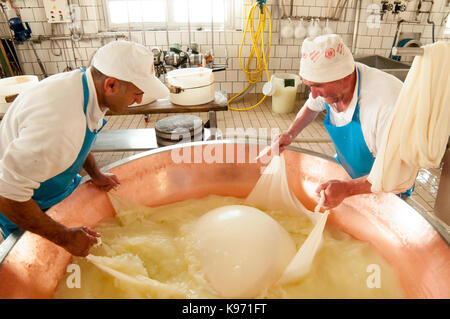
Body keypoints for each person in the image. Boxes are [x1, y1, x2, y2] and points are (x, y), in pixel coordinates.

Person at [0, 40, 169, 256]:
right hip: (26, 204)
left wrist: (95, 174)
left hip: (56, 188)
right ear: (111, 85)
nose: (140, 100)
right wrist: (65, 237)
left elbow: (80, 138)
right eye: (137, 93)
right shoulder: (59, 124)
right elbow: (8, 195)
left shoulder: (87, 88)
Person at [273, 34, 411, 210]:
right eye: (309, 86)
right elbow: (312, 106)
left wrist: (347, 188)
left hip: (388, 188)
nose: (313, 93)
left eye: (318, 86)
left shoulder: (385, 104)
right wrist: (290, 133)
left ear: (344, 78)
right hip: (348, 174)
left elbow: (397, 175)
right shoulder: (334, 83)